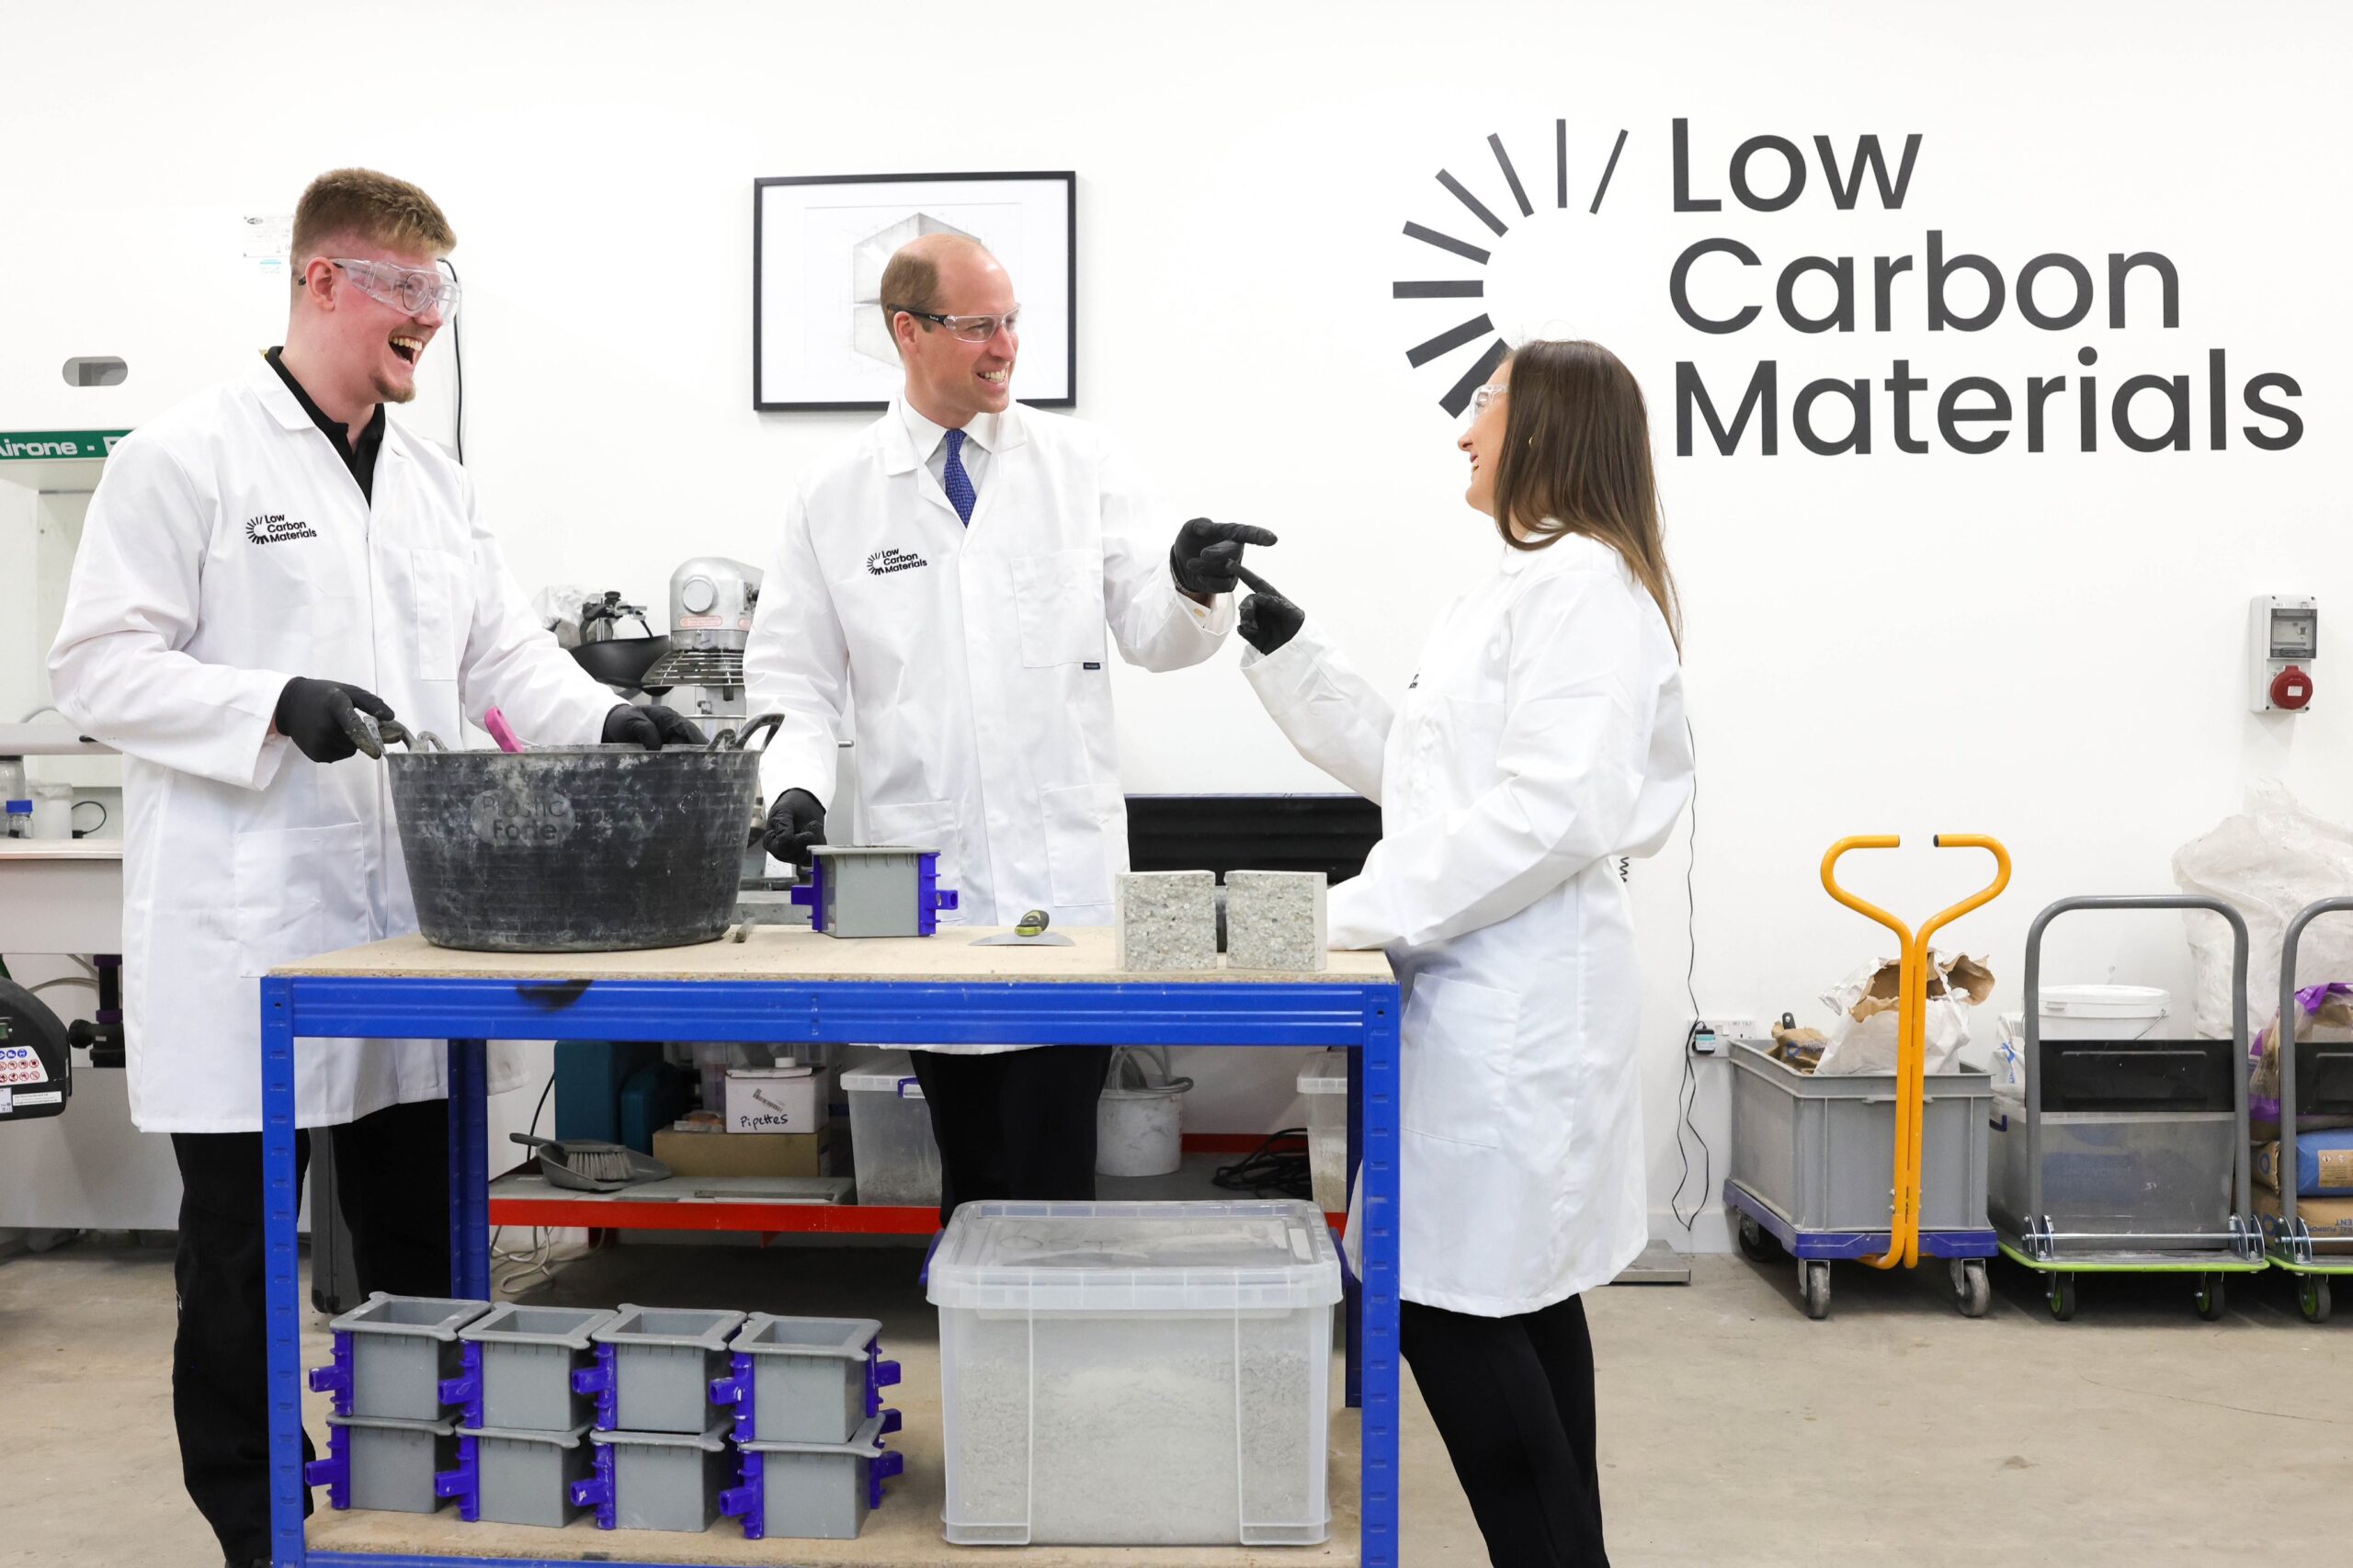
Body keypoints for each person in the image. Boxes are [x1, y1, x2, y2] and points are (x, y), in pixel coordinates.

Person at [46, 168, 701, 1568]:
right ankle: (252, 1519)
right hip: (247, 921)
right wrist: (272, 702)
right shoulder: (183, 456)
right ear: (320, 282)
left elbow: (504, 656)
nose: (429, 320)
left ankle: (421, 1491)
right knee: (238, 1255)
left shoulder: (436, 481)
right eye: (403, 289)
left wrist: (608, 714)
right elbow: (97, 665)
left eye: (441, 292)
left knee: (419, 1233)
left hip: (407, 922)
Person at [1233, 340, 1692, 1568]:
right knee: (1514, 1295)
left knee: (1447, 1301)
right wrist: (1290, 653)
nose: (1464, 432)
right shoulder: (1512, 586)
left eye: (1482, 406)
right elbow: (1429, 780)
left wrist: (1342, 912)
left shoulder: (1585, 588)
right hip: (1476, 992)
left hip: (1522, 1003)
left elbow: (1556, 811)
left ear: (1544, 424)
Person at [745, 233, 1270, 1220]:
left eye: (1012, 322)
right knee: (970, 1162)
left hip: (1063, 884)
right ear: (908, 331)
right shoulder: (835, 494)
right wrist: (796, 785)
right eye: (978, 325)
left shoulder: (1081, 465)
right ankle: (989, 1356)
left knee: (1050, 1166)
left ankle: (1042, 1359)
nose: (1004, 346)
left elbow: (1156, 636)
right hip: (925, 882)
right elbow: (793, 675)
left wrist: (1194, 585)